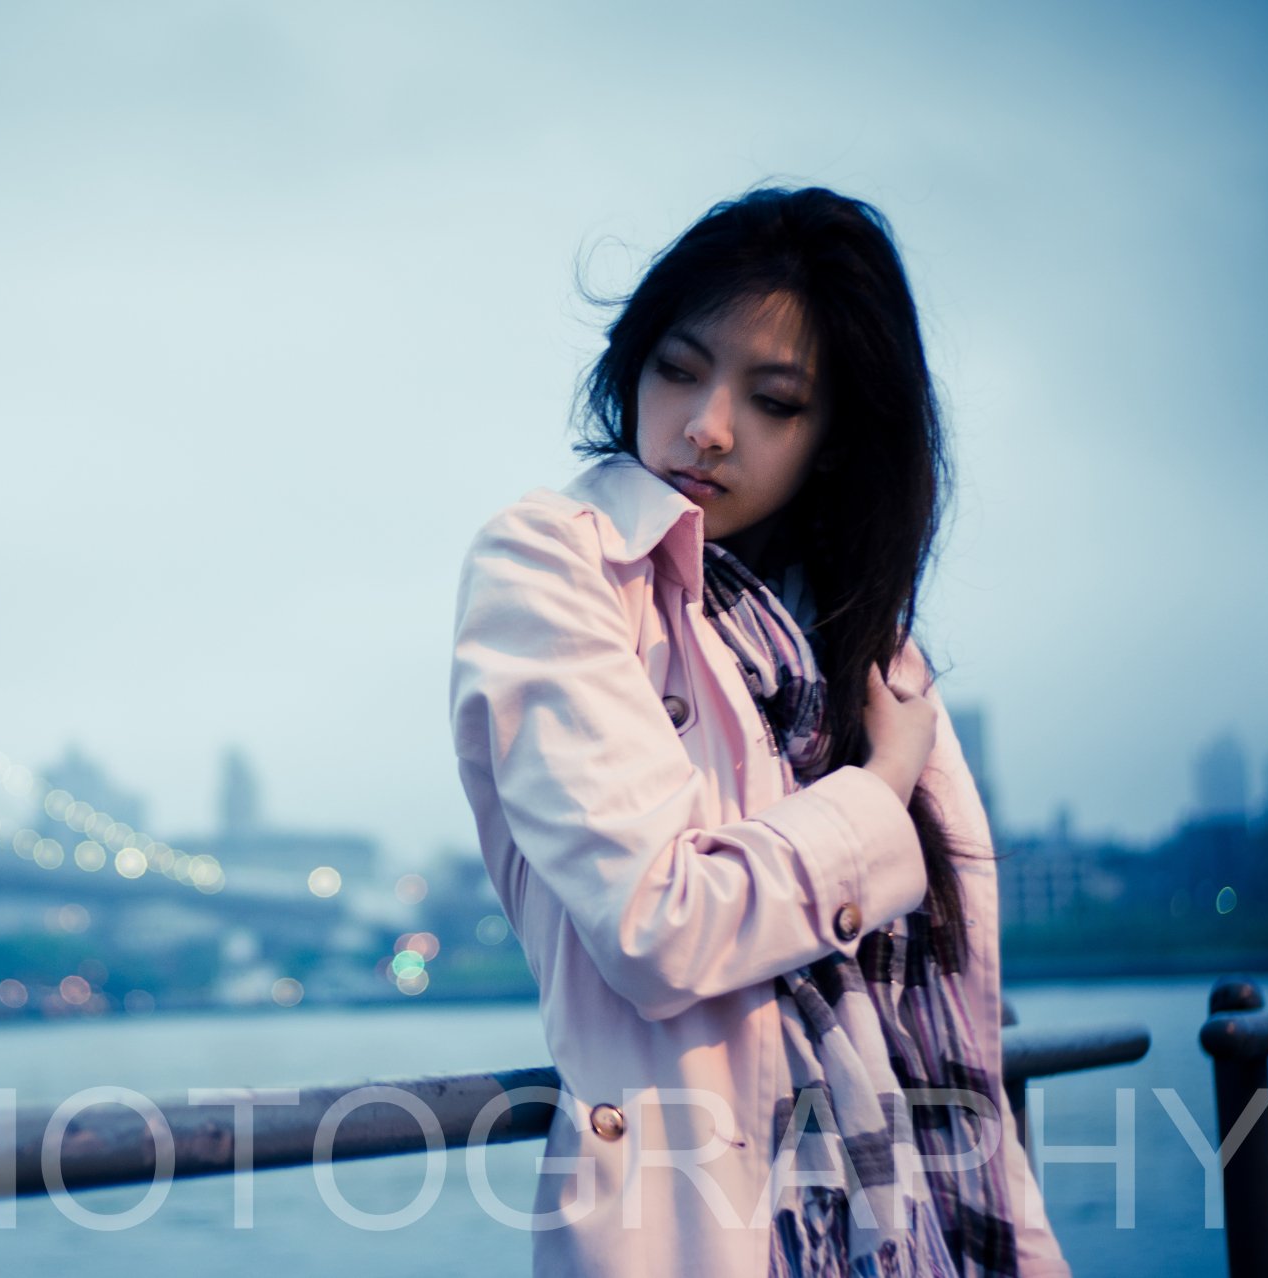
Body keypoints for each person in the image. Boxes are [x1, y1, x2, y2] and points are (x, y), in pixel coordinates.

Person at [448, 187, 1071, 1277]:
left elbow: (954, 1031)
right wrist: (877, 796)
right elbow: (658, 925)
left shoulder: (868, 645)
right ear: (632, 365)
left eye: (774, 399)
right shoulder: (556, 568)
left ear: (834, 438)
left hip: (932, 1231)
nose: (707, 425)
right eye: (680, 369)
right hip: (702, 1227)